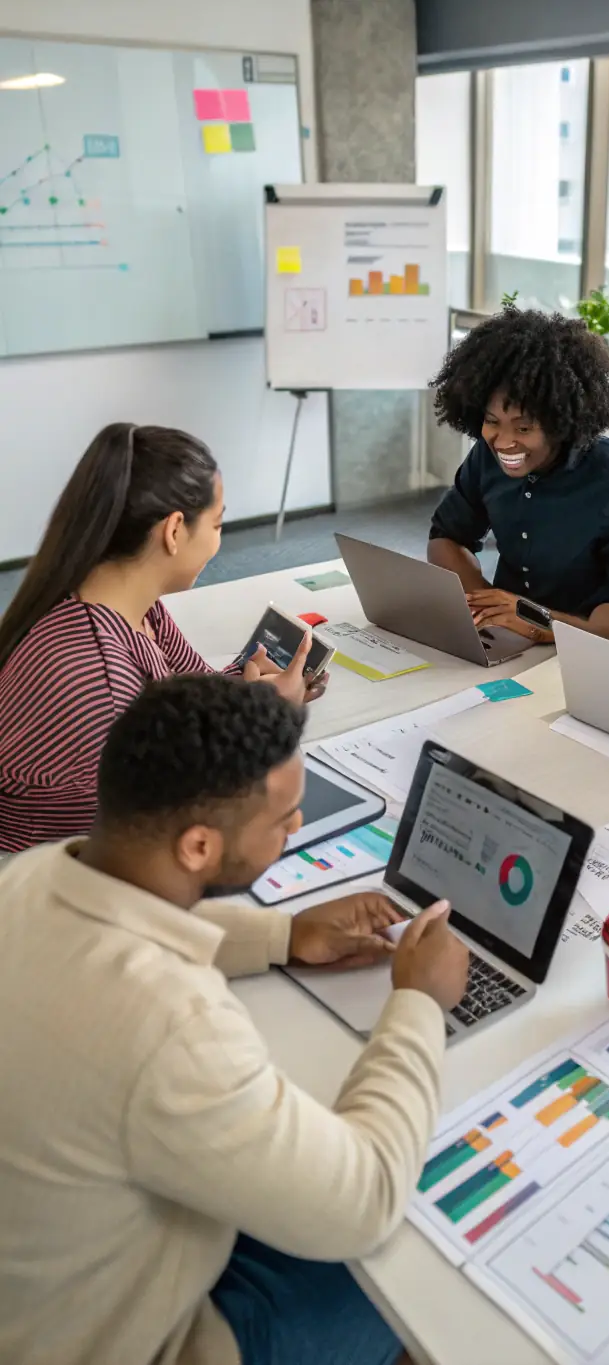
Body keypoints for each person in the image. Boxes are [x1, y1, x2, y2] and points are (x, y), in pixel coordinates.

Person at [0, 673, 470, 1365]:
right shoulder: (173, 1028)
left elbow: (130, 929)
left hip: (52, 1267)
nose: (298, 827)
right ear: (198, 847)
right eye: (284, 819)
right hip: (130, 1340)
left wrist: (283, 935)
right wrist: (418, 1002)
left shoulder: (31, 874)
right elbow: (366, 1196)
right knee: (423, 1243)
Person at [0, 423, 323, 853]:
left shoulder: (130, 603)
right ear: (174, 531)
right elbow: (185, 809)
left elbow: (186, 695)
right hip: (53, 871)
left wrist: (247, 695)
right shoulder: (101, 678)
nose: (218, 542)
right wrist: (274, 720)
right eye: (218, 524)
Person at [427, 303, 609, 646]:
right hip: (506, 644)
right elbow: (446, 537)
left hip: (581, 658)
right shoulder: (488, 455)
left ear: (560, 423)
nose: (504, 442)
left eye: (523, 427)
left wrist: (531, 620)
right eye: (492, 422)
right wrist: (485, 605)